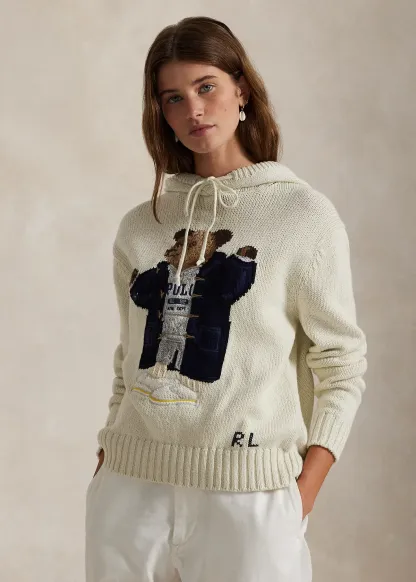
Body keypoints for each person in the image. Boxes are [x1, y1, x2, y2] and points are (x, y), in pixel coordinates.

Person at [84, 15, 367, 582]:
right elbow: (128, 356)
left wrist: (304, 490)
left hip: (249, 494)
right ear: (160, 114)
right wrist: (108, 455)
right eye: (173, 98)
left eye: (206, 86)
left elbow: (340, 363)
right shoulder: (141, 226)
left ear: (242, 90)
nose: (193, 109)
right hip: (131, 490)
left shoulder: (302, 216)